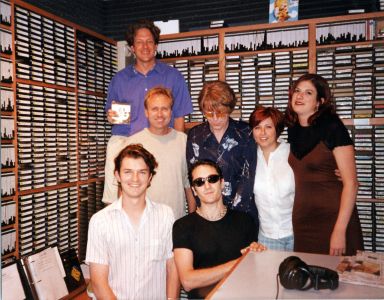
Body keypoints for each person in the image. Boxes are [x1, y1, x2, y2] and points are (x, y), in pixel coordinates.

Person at [285, 73, 364, 256]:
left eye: (308, 93)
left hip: (333, 217)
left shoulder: (332, 126)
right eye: (297, 91)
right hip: (303, 218)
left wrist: (339, 230)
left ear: (319, 102)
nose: (300, 96)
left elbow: (351, 184)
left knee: (340, 279)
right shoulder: (292, 129)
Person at [86, 144, 179, 299]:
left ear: (150, 177)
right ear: (117, 175)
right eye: (128, 172)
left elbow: (172, 267)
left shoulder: (166, 215)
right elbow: (98, 282)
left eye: (142, 172)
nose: (135, 179)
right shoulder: (100, 222)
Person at [104, 20, 193, 176]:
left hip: (162, 143)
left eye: (149, 42)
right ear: (132, 48)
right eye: (139, 42)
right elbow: (110, 114)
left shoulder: (174, 77)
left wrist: (177, 149)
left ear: (156, 46)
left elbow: (179, 118)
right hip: (126, 144)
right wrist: (111, 117)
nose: (145, 47)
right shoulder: (119, 79)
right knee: (120, 196)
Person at [172, 160, 266, 299]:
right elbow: (188, 281)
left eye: (212, 179)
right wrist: (238, 263)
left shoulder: (245, 221)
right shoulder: (183, 226)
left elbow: (252, 272)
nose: (207, 186)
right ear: (194, 190)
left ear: (222, 183)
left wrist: (256, 255)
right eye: (200, 182)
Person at [102, 86, 196, 218]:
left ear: (171, 111)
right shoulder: (132, 143)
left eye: (164, 109)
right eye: (154, 109)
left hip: (176, 221)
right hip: (142, 224)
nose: (159, 114)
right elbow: (122, 189)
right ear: (146, 112)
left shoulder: (184, 141)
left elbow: (189, 184)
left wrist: (192, 220)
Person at [186, 80, 258, 229]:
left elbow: (248, 177)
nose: (215, 118)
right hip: (207, 214)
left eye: (220, 113)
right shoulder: (195, 135)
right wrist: (206, 212)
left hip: (241, 214)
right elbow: (195, 178)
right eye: (209, 113)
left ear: (229, 108)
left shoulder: (245, 132)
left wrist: (230, 215)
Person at [249, 105, 295, 251]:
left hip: (296, 233)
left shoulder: (292, 153)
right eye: (257, 127)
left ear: (277, 129)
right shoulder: (249, 158)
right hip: (266, 237)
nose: (262, 132)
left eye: (268, 127)